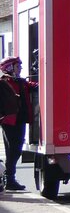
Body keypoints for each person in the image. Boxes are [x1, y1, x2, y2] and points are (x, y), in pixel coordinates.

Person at [0, 56, 34, 192]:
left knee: (16, 149)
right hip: (9, 121)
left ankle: (10, 179)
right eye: (17, 66)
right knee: (12, 150)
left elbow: (32, 86)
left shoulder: (20, 82)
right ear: (9, 67)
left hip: (19, 120)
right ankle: (10, 179)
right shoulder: (4, 82)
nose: (20, 68)